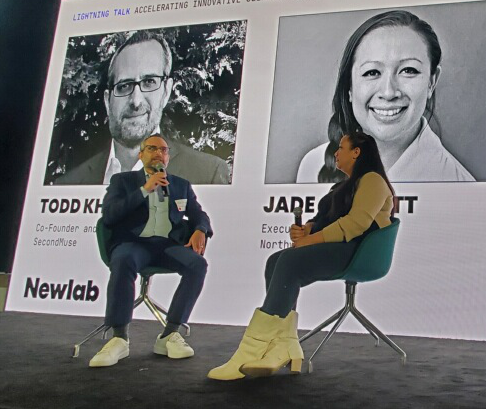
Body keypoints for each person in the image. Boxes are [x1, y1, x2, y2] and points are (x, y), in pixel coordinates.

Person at [208, 130, 395, 380]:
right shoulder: (343, 185)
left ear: (357, 152)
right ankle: (285, 344)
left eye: (341, 147)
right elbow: (326, 221)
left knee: (289, 261)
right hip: (341, 247)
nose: (336, 152)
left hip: (358, 252)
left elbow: (355, 224)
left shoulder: (373, 180)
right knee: (276, 260)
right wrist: (307, 229)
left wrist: (311, 240)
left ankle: (250, 351)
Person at [296, 10, 475, 183]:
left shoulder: (460, 185)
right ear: (349, 86)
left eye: (408, 70)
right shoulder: (313, 166)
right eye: (372, 72)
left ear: (431, 82)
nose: (388, 93)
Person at [89, 134, 213, 367]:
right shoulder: (122, 181)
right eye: (152, 148)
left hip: (167, 245)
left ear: (168, 157)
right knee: (123, 259)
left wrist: (200, 229)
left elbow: (199, 214)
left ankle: (170, 333)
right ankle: (119, 338)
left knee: (198, 264)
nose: (159, 153)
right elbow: (111, 215)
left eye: (164, 150)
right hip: (134, 244)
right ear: (141, 154)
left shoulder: (181, 185)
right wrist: (145, 189)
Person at [56, 31, 229, 185]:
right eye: (124, 86)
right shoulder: (67, 184)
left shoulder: (208, 173)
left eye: (149, 82)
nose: (136, 101)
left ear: (166, 91)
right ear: (108, 101)